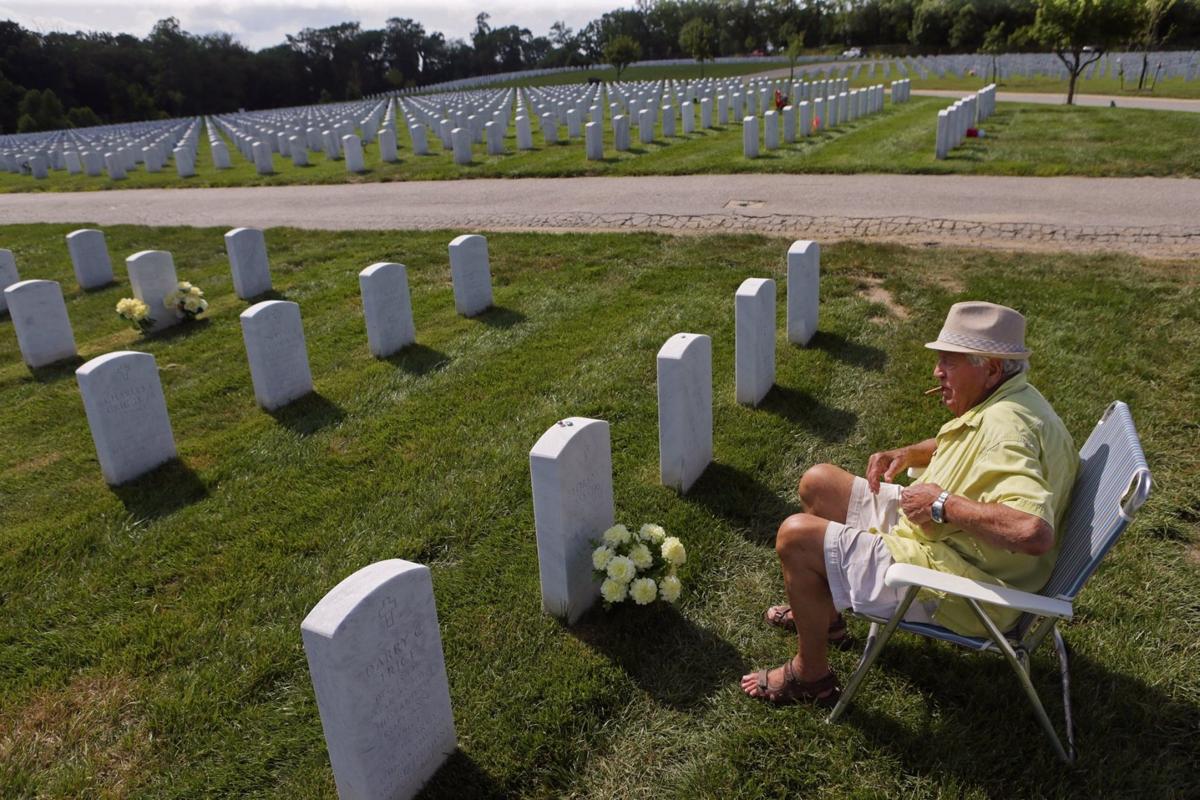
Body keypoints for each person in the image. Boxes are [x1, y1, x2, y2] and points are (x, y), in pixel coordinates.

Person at [741, 301, 1078, 705]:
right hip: (948, 543)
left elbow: (1032, 531)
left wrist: (942, 506)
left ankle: (810, 677)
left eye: (948, 363)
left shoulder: (1007, 429)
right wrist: (911, 453)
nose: (937, 372)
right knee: (820, 483)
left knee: (796, 536)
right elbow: (971, 442)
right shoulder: (1016, 399)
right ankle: (825, 618)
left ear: (989, 368)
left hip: (966, 585)